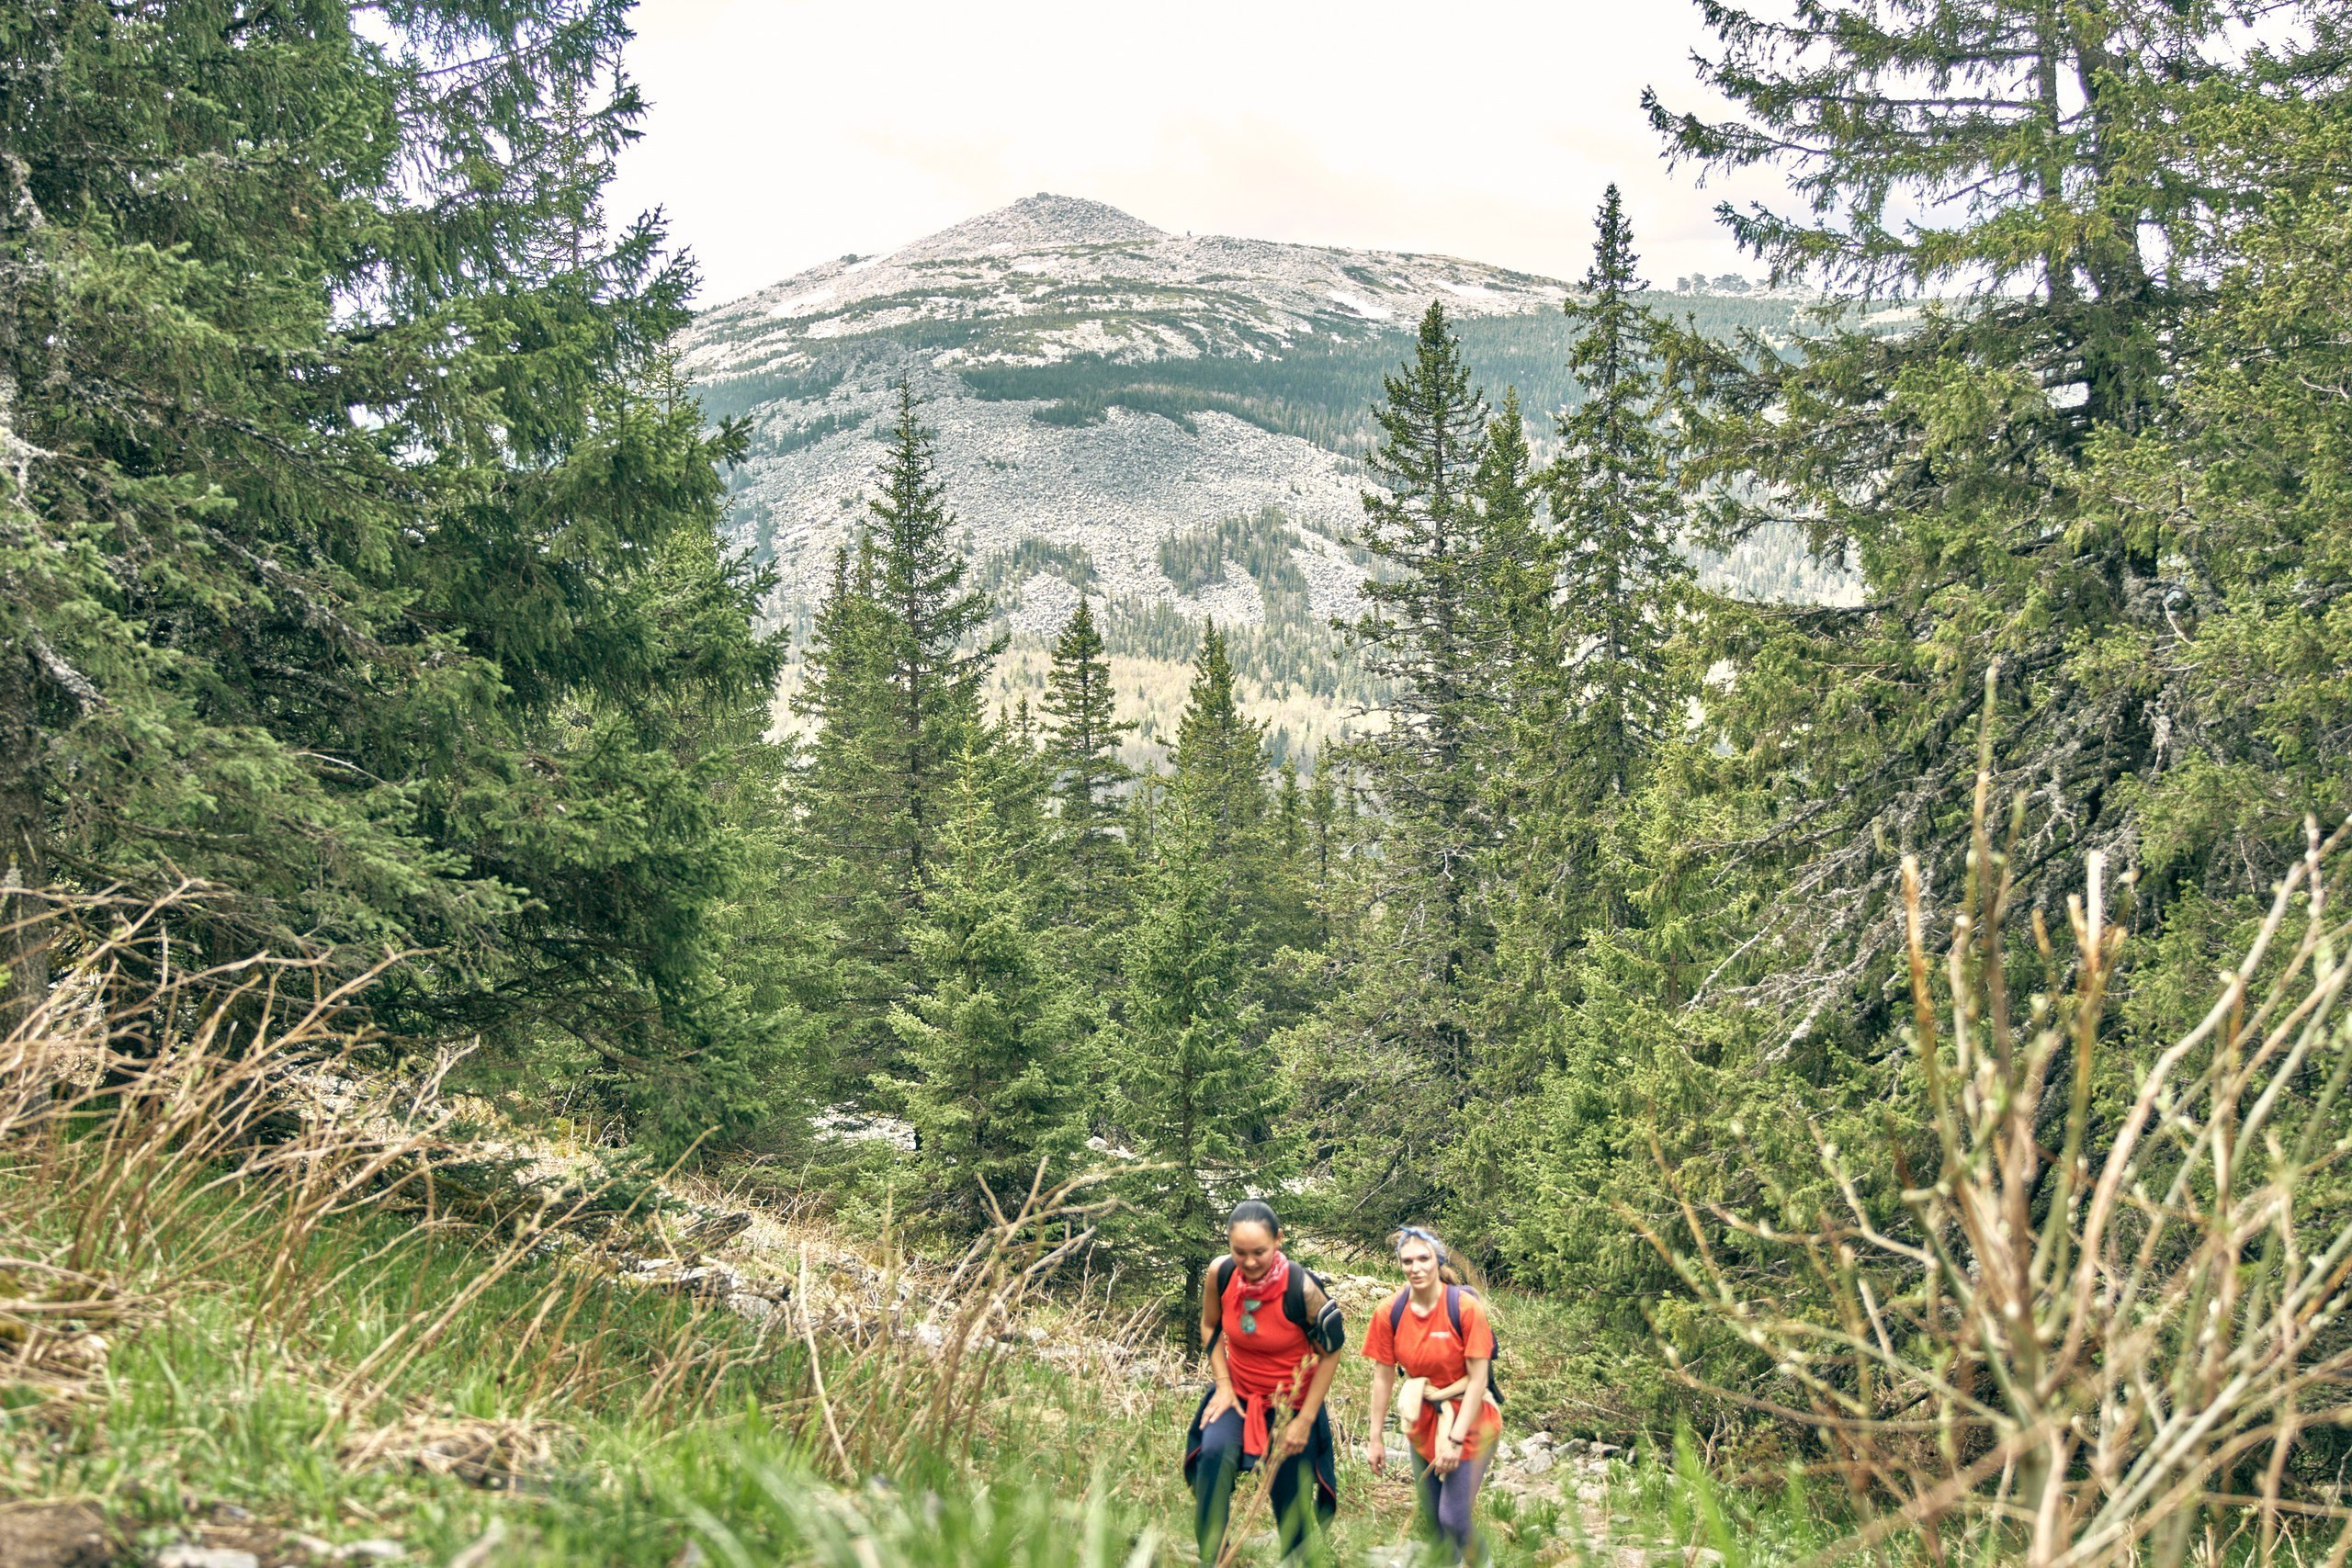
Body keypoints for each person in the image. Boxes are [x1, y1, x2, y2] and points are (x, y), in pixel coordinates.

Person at [1182, 1200, 1346, 1565]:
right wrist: (1222, 1384)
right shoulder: (1220, 1273)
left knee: (1291, 1500)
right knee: (1212, 1456)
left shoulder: (1302, 1290)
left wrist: (1304, 1421)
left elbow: (1331, 1352)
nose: (1250, 1262)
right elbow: (1211, 1324)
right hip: (1237, 1396)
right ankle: (1215, 1557)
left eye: (1259, 1252)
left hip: (1291, 1406)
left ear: (1279, 1241)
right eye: (1239, 1252)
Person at [1363, 1225, 1502, 1562]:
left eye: (1424, 1259)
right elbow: (1383, 1377)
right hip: (1422, 1420)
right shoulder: (1389, 1312)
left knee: (1453, 1518)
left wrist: (1454, 1440)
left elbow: (1478, 1378)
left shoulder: (1465, 1309)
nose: (1416, 1268)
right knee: (1437, 1528)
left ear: (1437, 1261)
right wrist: (1375, 1437)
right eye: (1407, 1261)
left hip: (1472, 1418)